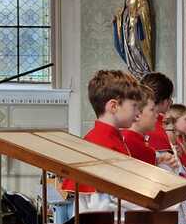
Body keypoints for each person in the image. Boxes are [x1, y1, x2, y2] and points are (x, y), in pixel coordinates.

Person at [60, 70, 141, 206]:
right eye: (134, 106)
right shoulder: (102, 144)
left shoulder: (102, 137)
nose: (138, 113)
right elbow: (100, 203)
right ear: (114, 106)